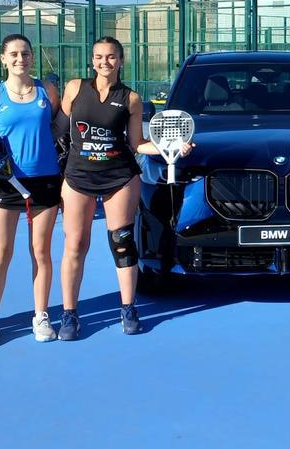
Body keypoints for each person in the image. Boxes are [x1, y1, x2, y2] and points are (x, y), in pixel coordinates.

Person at [58, 37, 192, 340]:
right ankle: (69, 314)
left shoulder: (130, 98)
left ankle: (129, 308)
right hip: (78, 178)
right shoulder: (74, 88)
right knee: (75, 245)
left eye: (111, 57)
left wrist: (171, 147)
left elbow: (137, 144)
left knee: (121, 243)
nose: (104, 62)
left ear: (121, 61)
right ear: (92, 60)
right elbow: (58, 127)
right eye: (99, 57)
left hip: (119, 177)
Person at [0, 34, 64, 349]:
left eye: (25, 53)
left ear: (32, 57)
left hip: (45, 182)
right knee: (0, 254)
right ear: (3, 59)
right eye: (13, 54)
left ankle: (41, 316)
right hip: (5, 184)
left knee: (41, 253)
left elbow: (57, 129)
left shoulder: (47, 92)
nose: (20, 58)